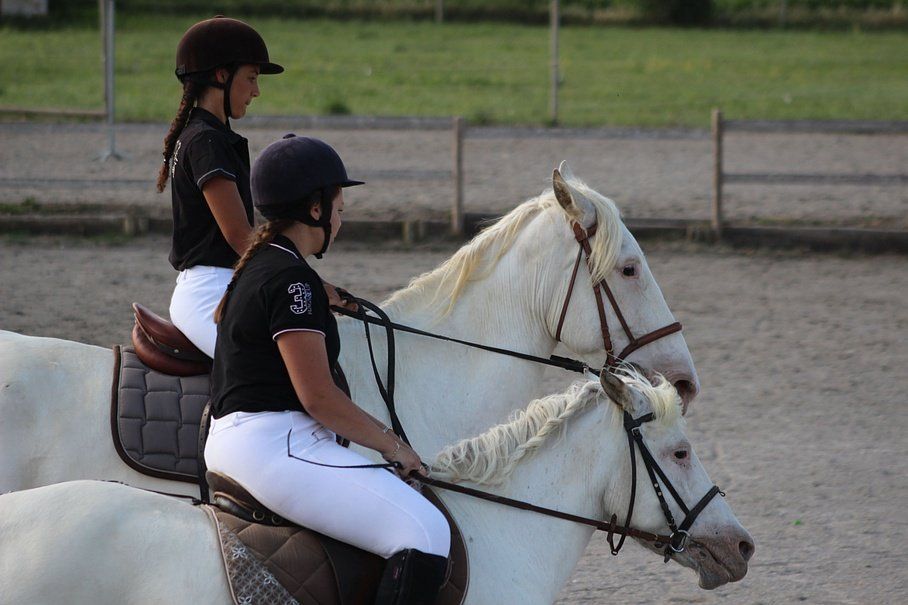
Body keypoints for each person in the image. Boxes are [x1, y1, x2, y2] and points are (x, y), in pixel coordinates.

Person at [203, 135, 451, 604]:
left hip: (257, 438)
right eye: (338, 205)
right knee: (425, 531)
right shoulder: (292, 279)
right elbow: (318, 398)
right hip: (275, 444)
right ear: (315, 209)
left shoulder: (269, 263)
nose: (342, 217)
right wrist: (395, 447)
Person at [155, 16, 283, 357]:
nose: (256, 90)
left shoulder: (209, 137)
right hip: (208, 292)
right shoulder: (206, 142)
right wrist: (302, 277)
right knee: (272, 371)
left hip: (228, 283)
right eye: (251, 78)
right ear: (221, 75)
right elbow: (241, 236)